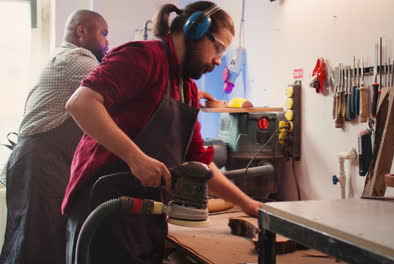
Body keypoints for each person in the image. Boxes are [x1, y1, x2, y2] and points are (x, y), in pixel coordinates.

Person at [62, 1, 262, 264]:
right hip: (104, 205)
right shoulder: (143, 57)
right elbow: (81, 103)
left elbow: (199, 161)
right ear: (194, 29)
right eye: (218, 48)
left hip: (145, 211)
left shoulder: (187, 88)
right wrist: (136, 158)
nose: (217, 60)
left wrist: (248, 204)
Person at [0, 10, 109, 264]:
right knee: (37, 246)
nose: (106, 42)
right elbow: (117, 86)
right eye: (103, 34)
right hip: (41, 164)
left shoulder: (61, 58)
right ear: (82, 32)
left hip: (37, 163)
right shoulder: (77, 59)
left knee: (30, 242)